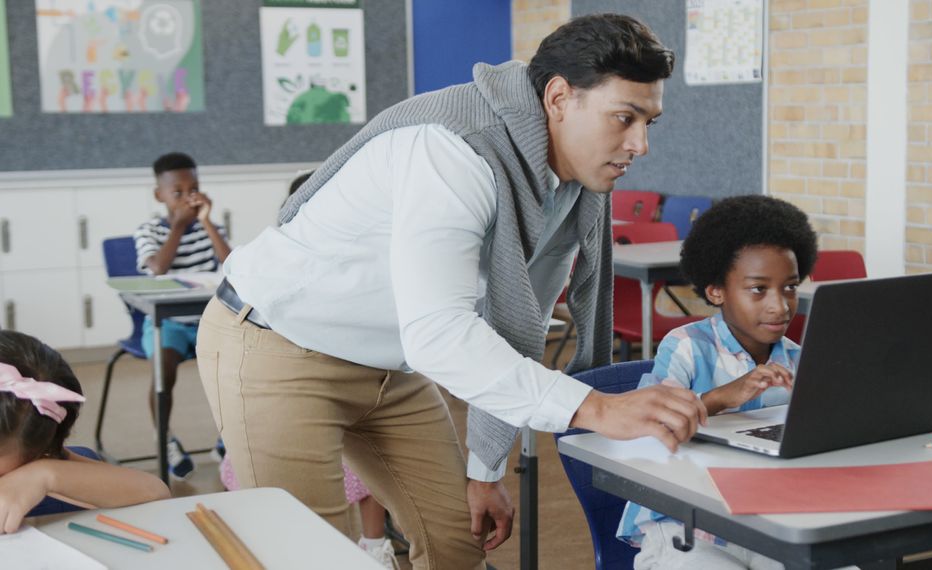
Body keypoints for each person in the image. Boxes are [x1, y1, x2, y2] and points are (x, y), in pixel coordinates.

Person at [197, 14, 706, 569]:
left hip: (391, 364)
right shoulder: (451, 150)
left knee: (458, 545)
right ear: (560, 98)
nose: (641, 144)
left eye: (649, 121)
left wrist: (485, 471)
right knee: (309, 557)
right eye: (624, 118)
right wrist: (594, 408)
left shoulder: (572, 184)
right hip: (276, 344)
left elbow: (519, 324)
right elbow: (439, 333)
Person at [617, 195, 819, 569]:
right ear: (716, 291)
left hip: (767, 519)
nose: (780, 305)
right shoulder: (687, 347)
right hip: (683, 524)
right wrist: (723, 397)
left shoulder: (797, 357)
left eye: (789, 287)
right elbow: (649, 427)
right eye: (759, 289)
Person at [215, 170, 399, 568]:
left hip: (345, 388)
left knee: (364, 464)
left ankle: (374, 547)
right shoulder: (278, 264)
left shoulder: (357, 259)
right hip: (284, 389)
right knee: (263, 475)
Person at [0, 330, 171, 533]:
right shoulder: (19, 456)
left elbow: (156, 492)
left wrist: (46, 475)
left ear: (39, 456)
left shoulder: (47, 469)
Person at [134, 152, 231, 479]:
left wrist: (206, 222)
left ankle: (227, 439)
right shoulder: (149, 231)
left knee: (238, 370)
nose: (188, 197)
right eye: (178, 192)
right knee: (164, 370)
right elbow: (157, 268)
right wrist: (177, 227)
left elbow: (232, 266)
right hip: (170, 324)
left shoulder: (210, 226)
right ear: (158, 195)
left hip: (210, 321)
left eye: (195, 189)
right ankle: (164, 439)